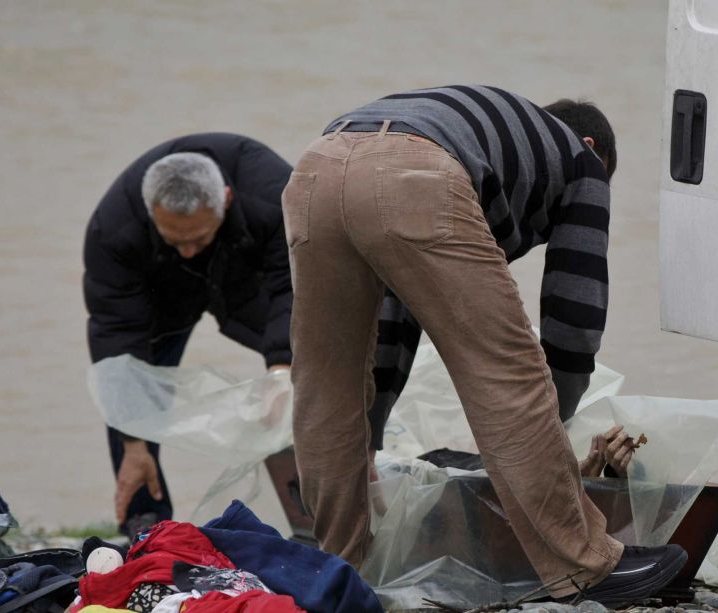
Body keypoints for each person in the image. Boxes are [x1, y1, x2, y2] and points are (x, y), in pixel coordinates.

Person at [282, 86, 685, 606]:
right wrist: (552, 419)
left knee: (327, 385)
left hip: (317, 168)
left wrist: (370, 436)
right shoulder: (581, 157)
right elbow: (574, 310)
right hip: (415, 172)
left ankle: (343, 568)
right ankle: (582, 566)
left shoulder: (491, 141)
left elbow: (395, 316)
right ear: (591, 145)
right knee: (507, 371)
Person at [83, 133, 294, 536]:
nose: (188, 251)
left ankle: (320, 500)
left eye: (197, 238)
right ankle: (147, 526)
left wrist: (281, 370)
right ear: (150, 213)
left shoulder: (274, 196)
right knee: (130, 389)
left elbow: (295, 285)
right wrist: (132, 441)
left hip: (245, 274)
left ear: (227, 199)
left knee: (313, 354)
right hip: (159, 293)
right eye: (175, 239)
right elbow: (116, 341)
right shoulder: (113, 229)